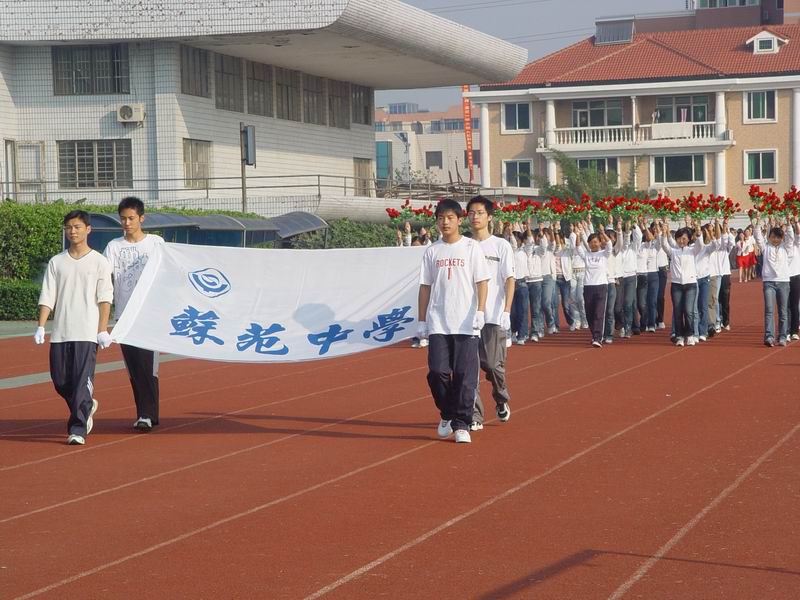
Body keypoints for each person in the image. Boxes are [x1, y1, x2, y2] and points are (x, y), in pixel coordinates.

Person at [34, 210, 113, 445]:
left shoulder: (99, 261)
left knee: (80, 381)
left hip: (87, 332)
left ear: (88, 229)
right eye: (68, 227)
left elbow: (104, 298)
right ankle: (86, 404)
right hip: (61, 331)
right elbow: (48, 295)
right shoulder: (57, 262)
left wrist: (102, 329)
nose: (72, 231)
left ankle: (77, 428)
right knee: (60, 381)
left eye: (77, 226)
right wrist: (40, 326)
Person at [418, 199, 489, 444]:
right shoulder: (432, 251)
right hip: (438, 321)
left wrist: (480, 311)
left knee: (464, 376)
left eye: (450, 218)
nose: (445, 222)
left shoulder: (471, 248)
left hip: (467, 322)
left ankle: (461, 424)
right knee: (437, 372)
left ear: (460, 220)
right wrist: (421, 320)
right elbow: (425, 287)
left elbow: (482, 282)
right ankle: (447, 412)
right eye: (440, 218)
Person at [103, 197, 165, 432]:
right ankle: (149, 413)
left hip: (149, 314)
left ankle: (146, 414)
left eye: (131, 218)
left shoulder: (156, 243)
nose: (127, 223)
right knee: (134, 366)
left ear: (141, 218)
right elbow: (104, 279)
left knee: (148, 365)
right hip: (124, 314)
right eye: (123, 219)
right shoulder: (114, 246)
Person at [466, 196, 515, 432]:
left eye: (479, 212)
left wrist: (506, 310)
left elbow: (509, 279)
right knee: (469, 368)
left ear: (489, 217)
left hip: (493, 315)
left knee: (492, 365)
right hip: (466, 318)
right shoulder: (463, 245)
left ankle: (501, 398)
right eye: (471, 213)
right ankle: (475, 414)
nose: (475, 217)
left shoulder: (500, 246)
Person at [752, 216, 799, 347]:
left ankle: (783, 336)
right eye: (773, 236)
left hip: (783, 282)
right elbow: (758, 237)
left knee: (783, 311)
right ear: (769, 237)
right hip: (769, 282)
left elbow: (791, 237)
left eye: (778, 237)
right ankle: (769, 336)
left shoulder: (786, 248)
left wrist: (789, 223)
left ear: (781, 238)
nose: (775, 239)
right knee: (769, 310)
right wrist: (757, 222)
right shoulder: (765, 248)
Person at [659, 220, 705, 347]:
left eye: (684, 238)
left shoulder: (692, 250)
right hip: (676, 285)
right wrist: (664, 232)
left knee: (689, 311)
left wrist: (698, 230)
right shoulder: (673, 252)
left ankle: (690, 335)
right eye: (679, 238)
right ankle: (679, 336)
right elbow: (664, 245)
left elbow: (700, 245)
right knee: (678, 311)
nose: (681, 241)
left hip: (690, 284)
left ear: (689, 239)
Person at [574, 222, 612, 348]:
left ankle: (597, 337)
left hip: (601, 286)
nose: (593, 244)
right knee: (589, 313)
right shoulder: (587, 255)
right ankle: (594, 335)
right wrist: (578, 234)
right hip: (588, 286)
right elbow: (578, 247)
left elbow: (610, 245)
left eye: (596, 242)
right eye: (591, 242)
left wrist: (602, 233)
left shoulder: (604, 254)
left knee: (598, 313)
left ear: (600, 243)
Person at [510, 231, 530, 345]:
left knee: (522, 311)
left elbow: (530, 242)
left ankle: (522, 335)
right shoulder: (510, 251)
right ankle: (513, 332)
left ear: (522, 241)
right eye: (514, 240)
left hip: (522, 283)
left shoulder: (525, 251)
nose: (515, 242)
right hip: (511, 284)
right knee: (512, 312)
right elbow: (512, 243)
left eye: (518, 240)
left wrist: (527, 227)